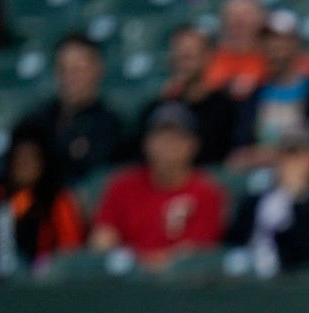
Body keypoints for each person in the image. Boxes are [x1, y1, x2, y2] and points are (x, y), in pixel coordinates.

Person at [89, 102, 225, 269]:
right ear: (146, 143)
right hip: (125, 285)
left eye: (176, 138)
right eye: (160, 137)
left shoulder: (207, 192)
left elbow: (194, 256)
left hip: (180, 288)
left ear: (193, 145)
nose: (167, 146)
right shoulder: (122, 185)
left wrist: (140, 263)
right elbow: (102, 240)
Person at [229, 9, 309, 168]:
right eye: (268, 41)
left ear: (296, 44)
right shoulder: (255, 94)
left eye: (280, 41)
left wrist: (279, 156)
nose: (274, 47)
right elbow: (241, 145)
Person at [222, 122, 309, 274]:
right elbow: (231, 242)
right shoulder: (253, 200)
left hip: (288, 284)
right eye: (289, 153)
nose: (293, 161)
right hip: (242, 276)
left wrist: (297, 198)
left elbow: (307, 251)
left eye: (301, 154)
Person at [0, 123, 84, 266]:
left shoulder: (57, 201)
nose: (25, 164)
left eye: (32, 158)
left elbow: (70, 253)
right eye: (19, 157)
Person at [17, 33, 124, 184]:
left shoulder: (113, 124)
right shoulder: (35, 121)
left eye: (77, 70)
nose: (69, 78)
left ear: (97, 70)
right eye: (63, 70)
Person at [135, 24, 238, 165]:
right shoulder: (156, 109)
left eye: (189, 56)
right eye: (178, 56)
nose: (183, 63)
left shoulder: (226, 108)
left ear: (207, 56)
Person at [204, 0, 269, 102]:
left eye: (246, 14)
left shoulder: (274, 57)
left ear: (261, 19)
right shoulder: (208, 59)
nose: (239, 20)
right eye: (232, 15)